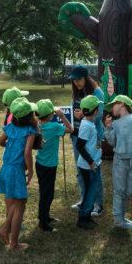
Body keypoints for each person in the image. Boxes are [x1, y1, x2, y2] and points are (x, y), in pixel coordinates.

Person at [0, 97, 38, 250]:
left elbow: (0, 142)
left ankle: (8, 233)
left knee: (14, 202)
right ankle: (12, 241)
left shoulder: (9, 127)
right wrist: (31, 170)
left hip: (5, 168)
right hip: (16, 170)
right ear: (30, 115)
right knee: (20, 204)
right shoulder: (30, 131)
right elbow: (27, 153)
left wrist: (11, 146)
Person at [104, 95, 132, 229]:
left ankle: (122, 216)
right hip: (120, 160)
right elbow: (112, 142)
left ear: (122, 104)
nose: (112, 108)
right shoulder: (115, 123)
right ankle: (118, 219)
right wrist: (108, 128)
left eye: (114, 105)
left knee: (129, 189)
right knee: (119, 190)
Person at [68, 66, 105, 215]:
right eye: (74, 80)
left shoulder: (97, 92)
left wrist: (82, 116)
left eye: (79, 79)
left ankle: (98, 205)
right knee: (80, 170)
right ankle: (84, 199)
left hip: (92, 138)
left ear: (86, 78)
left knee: (93, 169)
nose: (76, 82)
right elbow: (72, 111)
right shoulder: (76, 92)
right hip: (77, 135)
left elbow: (99, 115)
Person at [35, 99, 73, 232]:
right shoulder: (55, 127)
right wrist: (62, 116)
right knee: (48, 194)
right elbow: (71, 129)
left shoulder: (37, 125)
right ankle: (43, 223)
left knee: (44, 191)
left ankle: (45, 216)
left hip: (39, 163)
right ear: (51, 115)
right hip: (49, 165)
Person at [75, 95, 104, 229]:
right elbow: (80, 146)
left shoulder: (88, 123)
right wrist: (91, 162)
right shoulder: (87, 125)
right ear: (96, 111)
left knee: (91, 189)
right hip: (89, 166)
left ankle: (87, 216)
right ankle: (83, 218)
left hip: (92, 164)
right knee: (91, 191)